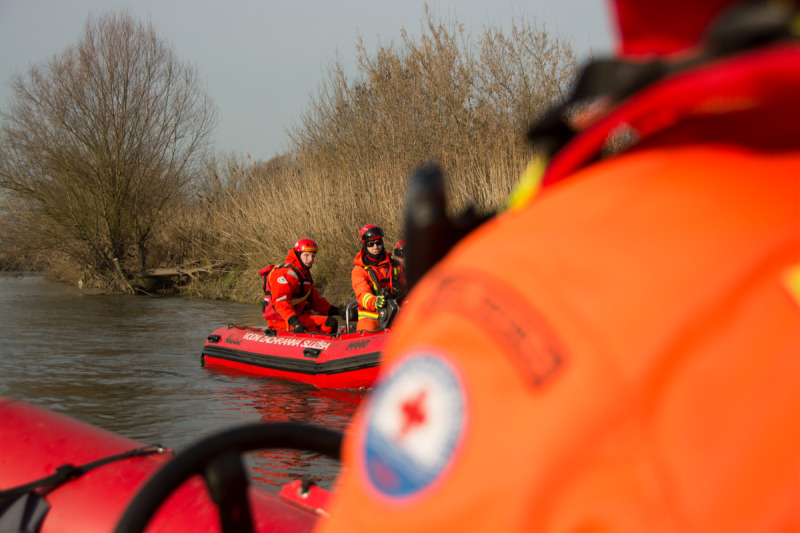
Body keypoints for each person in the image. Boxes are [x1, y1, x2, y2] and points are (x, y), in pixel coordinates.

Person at [318, 1, 800, 532]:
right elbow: (357, 289)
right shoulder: (366, 270)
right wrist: (369, 305)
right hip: (367, 325)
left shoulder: (523, 286)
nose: (375, 247)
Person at [262, 238, 342, 334]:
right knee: (329, 323)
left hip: (300, 318)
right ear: (298, 255)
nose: (310, 259)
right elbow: (280, 303)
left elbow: (316, 303)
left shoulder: (305, 276)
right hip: (283, 321)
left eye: (313, 256)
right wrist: (296, 323)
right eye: (307, 255)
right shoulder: (284, 273)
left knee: (330, 321)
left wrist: (339, 312)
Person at [350, 225, 404, 331]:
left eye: (378, 243)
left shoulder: (394, 265)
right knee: (367, 329)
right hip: (370, 317)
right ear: (365, 246)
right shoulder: (359, 270)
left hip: (394, 315)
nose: (376, 247)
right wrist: (375, 302)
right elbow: (362, 294)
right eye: (371, 244)